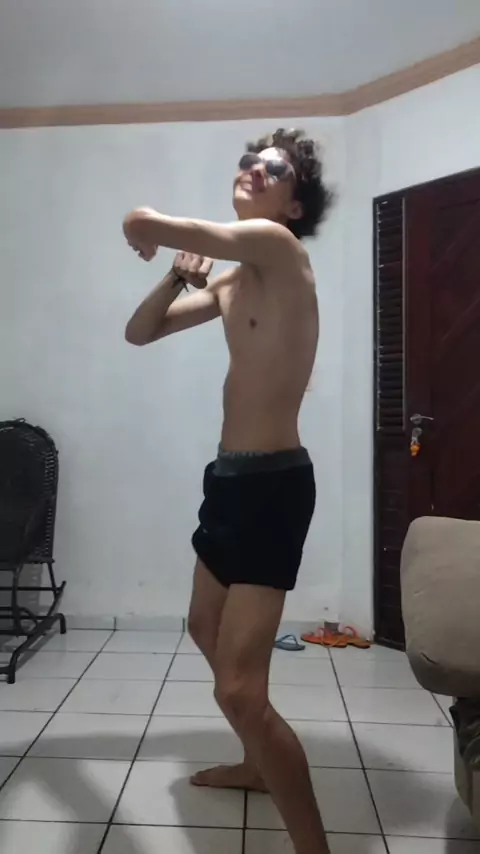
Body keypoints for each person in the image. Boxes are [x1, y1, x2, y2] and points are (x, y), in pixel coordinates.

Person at [123, 128, 333, 854]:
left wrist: (142, 227)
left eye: (274, 167)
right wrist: (174, 277)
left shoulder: (279, 248)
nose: (254, 168)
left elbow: (148, 220)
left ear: (295, 205)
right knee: (202, 627)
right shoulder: (233, 280)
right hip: (228, 482)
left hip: (274, 485)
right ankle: (255, 759)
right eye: (250, 160)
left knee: (239, 688)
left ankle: (313, 845)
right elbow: (140, 332)